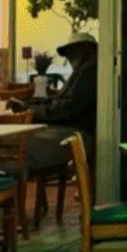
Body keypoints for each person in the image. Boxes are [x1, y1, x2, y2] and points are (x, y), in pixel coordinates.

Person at [24, 33, 99, 177]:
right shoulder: (86, 68)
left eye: (71, 50)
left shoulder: (90, 68)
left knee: (10, 149)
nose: (68, 57)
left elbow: (67, 106)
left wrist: (32, 111)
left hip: (77, 133)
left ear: (86, 48)